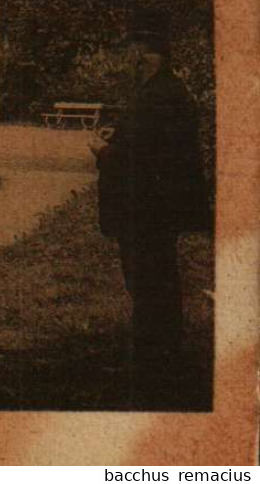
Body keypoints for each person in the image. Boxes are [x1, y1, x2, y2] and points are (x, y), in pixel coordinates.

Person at [90, 24, 208, 388]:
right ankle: (162, 354)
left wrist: (104, 151)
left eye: (143, 54)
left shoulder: (157, 96)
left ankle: (152, 362)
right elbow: (150, 142)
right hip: (159, 205)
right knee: (158, 278)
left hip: (147, 206)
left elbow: (142, 158)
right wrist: (119, 135)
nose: (136, 61)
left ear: (154, 57)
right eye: (136, 53)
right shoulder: (166, 91)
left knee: (147, 279)